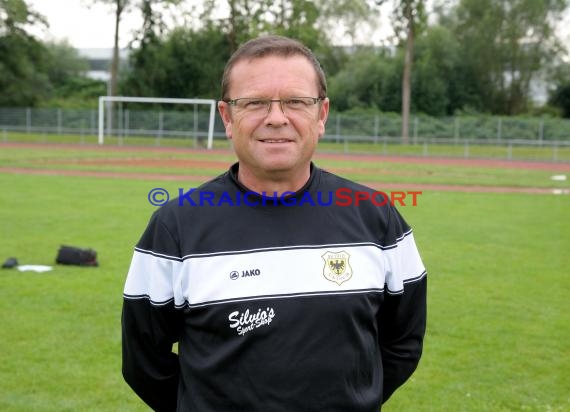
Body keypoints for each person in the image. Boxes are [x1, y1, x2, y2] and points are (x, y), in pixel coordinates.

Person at [121, 35, 427, 412]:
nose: (277, 117)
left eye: (296, 102)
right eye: (254, 103)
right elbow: (143, 362)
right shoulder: (173, 229)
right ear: (227, 118)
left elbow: (403, 343)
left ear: (322, 114)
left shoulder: (379, 219)